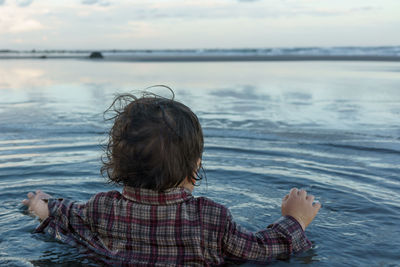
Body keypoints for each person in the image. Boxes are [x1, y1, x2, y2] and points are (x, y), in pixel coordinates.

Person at [22, 88, 321, 266]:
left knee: (68, 230)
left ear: (117, 163)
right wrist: (295, 220)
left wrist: (41, 206)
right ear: (196, 166)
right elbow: (261, 250)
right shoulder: (211, 219)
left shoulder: (100, 207)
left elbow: (66, 213)